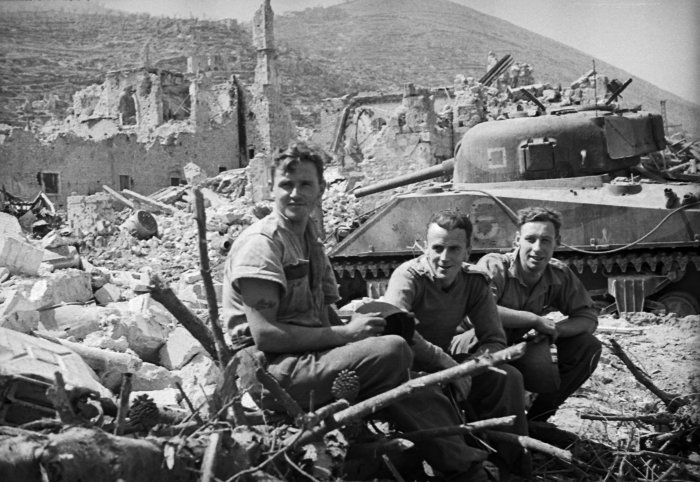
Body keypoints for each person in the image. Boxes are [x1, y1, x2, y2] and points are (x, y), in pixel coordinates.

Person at [222, 142, 487, 480]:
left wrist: (362, 328)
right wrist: (347, 335)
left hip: (305, 356)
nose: (294, 193)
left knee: (392, 334)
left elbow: (326, 314)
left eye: (305, 184)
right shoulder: (262, 244)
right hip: (267, 370)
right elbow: (265, 335)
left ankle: (461, 451)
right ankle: (460, 464)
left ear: (321, 189)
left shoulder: (309, 240)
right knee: (392, 351)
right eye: (285, 184)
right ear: (270, 188)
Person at [382, 209, 531, 476]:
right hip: (404, 367)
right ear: (426, 247)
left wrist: (472, 368)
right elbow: (398, 333)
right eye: (437, 248)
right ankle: (464, 466)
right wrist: (448, 365)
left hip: (448, 367)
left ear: (467, 251)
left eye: (454, 248)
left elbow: (494, 338)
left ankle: (512, 468)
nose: (444, 257)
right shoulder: (408, 277)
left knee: (507, 377)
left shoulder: (474, 281)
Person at [476, 206, 602, 422]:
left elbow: (588, 317)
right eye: (530, 239)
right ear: (517, 240)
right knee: (506, 375)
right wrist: (534, 320)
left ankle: (537, 420)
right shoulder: (494, 265)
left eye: (545, 240)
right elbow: (480, 311)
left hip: (514, 348)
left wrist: (553, 331)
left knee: (588, 346)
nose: (537, 248)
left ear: (557, 242)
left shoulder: (558, 274)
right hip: (476, 347)